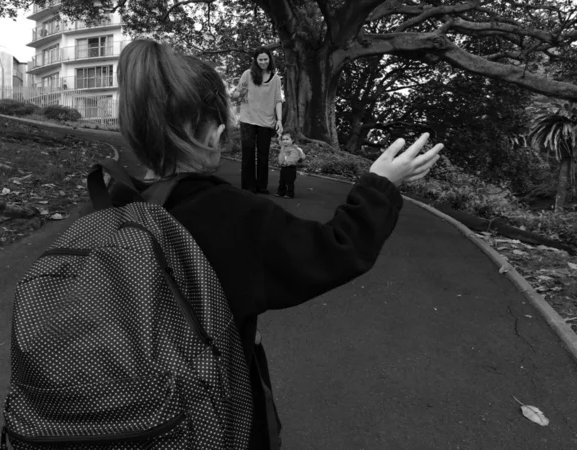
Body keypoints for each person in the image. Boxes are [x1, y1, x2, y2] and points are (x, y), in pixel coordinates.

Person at [115, 40, 443, 449]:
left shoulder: (107, 206)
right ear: (215, 132)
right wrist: (380, 184)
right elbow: (335, 249)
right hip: (208, 418)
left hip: (119, 409)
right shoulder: (231, 215)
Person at [232, 46, 283, 194]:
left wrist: (279, 120)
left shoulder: (276, 79)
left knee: (263, 155)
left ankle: (261, 186)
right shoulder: (247, 74)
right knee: (247, 153)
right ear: (255, 60)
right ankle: (248, 186)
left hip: (266, 121)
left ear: (269, 60)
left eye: (265, 59)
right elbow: (238, 94)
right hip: (248, 119)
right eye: (260, 59)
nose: (263, 62)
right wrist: (238, 93)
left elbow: (278, 100)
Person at [275, 130, 303, 199]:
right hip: (284, 167)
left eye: (287, 139)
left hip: (291, 167)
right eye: (283, 139)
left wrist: (287, 163)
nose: (285, 141)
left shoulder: (295, 148)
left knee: (289, 181)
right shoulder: (283, 146)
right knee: (282, 180)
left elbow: (295, 157)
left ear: (292, 140)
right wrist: (279, 136)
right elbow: (279, 141)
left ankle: (290, 193)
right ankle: (281, 191)